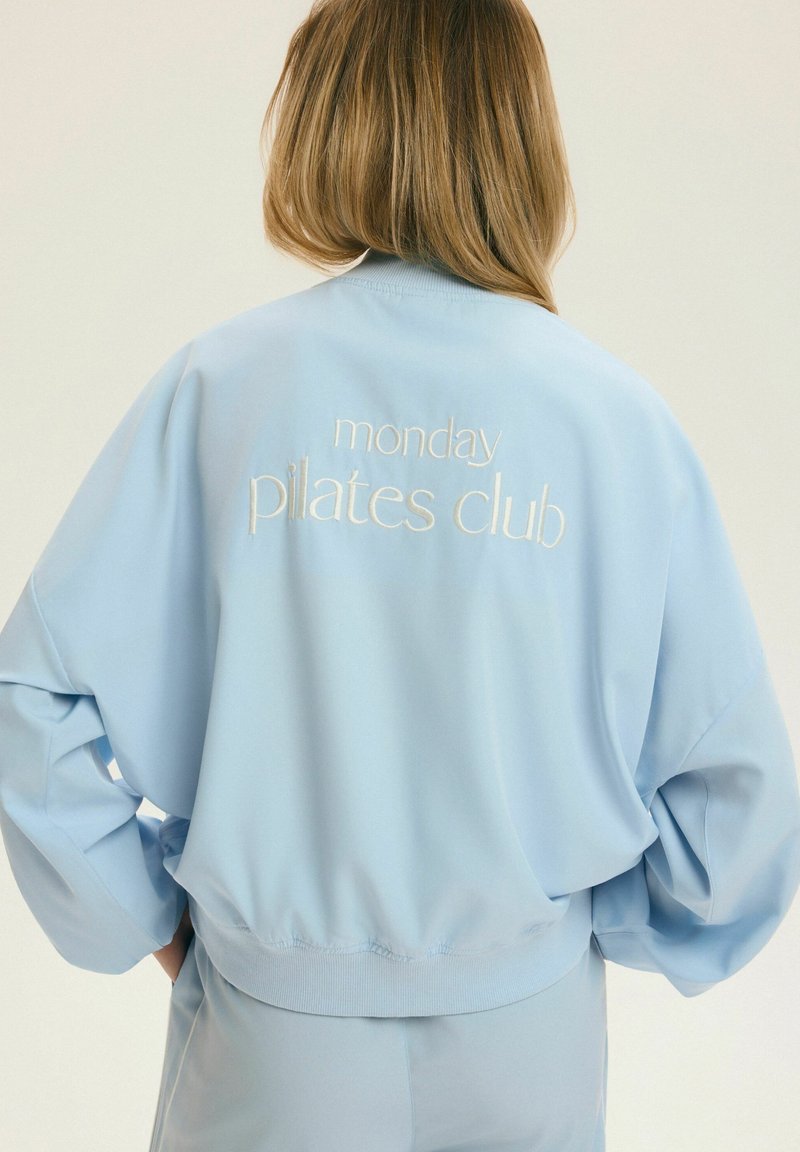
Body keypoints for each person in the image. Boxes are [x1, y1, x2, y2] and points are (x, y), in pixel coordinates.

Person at [1, 2, 799, 1150]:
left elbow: (33, 697)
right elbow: (737, 806)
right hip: (524, 1045)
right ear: (522, 135)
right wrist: (573, 922)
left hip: (271, 1045)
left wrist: (149, 916)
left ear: (325, 117)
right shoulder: (614, 424)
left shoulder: (222, 388)